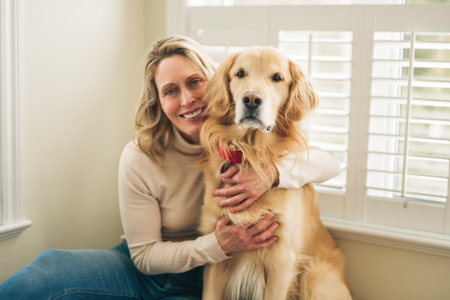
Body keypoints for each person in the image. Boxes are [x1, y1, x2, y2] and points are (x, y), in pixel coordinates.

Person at [0, 35, 340, 299]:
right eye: (170, 91)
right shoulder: (140, 156)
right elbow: (145, 255)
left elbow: (328, 161)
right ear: (159, 101)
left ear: (215, 82)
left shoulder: (251, 139)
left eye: (194, 82)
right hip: (147, 267)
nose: (187, 100)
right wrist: (218, 245)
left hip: (200, 279)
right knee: (49, 269)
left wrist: (271, 174)